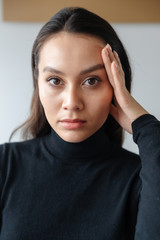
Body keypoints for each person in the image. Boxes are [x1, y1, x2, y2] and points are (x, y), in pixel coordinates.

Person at [0, 7, 160, 240]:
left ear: (117, 87)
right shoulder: (6, 166)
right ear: (38, 84)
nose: (72, 103)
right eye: (55, 80)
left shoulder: (141, 179)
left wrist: (146, 127)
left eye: (91, 81)